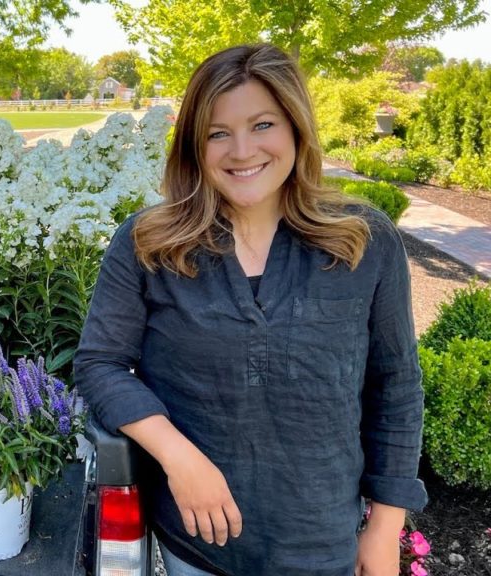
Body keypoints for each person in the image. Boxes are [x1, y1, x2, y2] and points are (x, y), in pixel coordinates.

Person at [73, 43, 427, 576]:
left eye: (262, 125)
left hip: (321, 542)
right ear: (195, 145)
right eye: (218, 133)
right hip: (196, 547)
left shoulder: (363, 241)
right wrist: (179, 456)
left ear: (296, 127)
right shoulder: (149, 243)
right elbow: (99, 363)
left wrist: (384, 527)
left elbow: (396, 385)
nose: (241, 151)